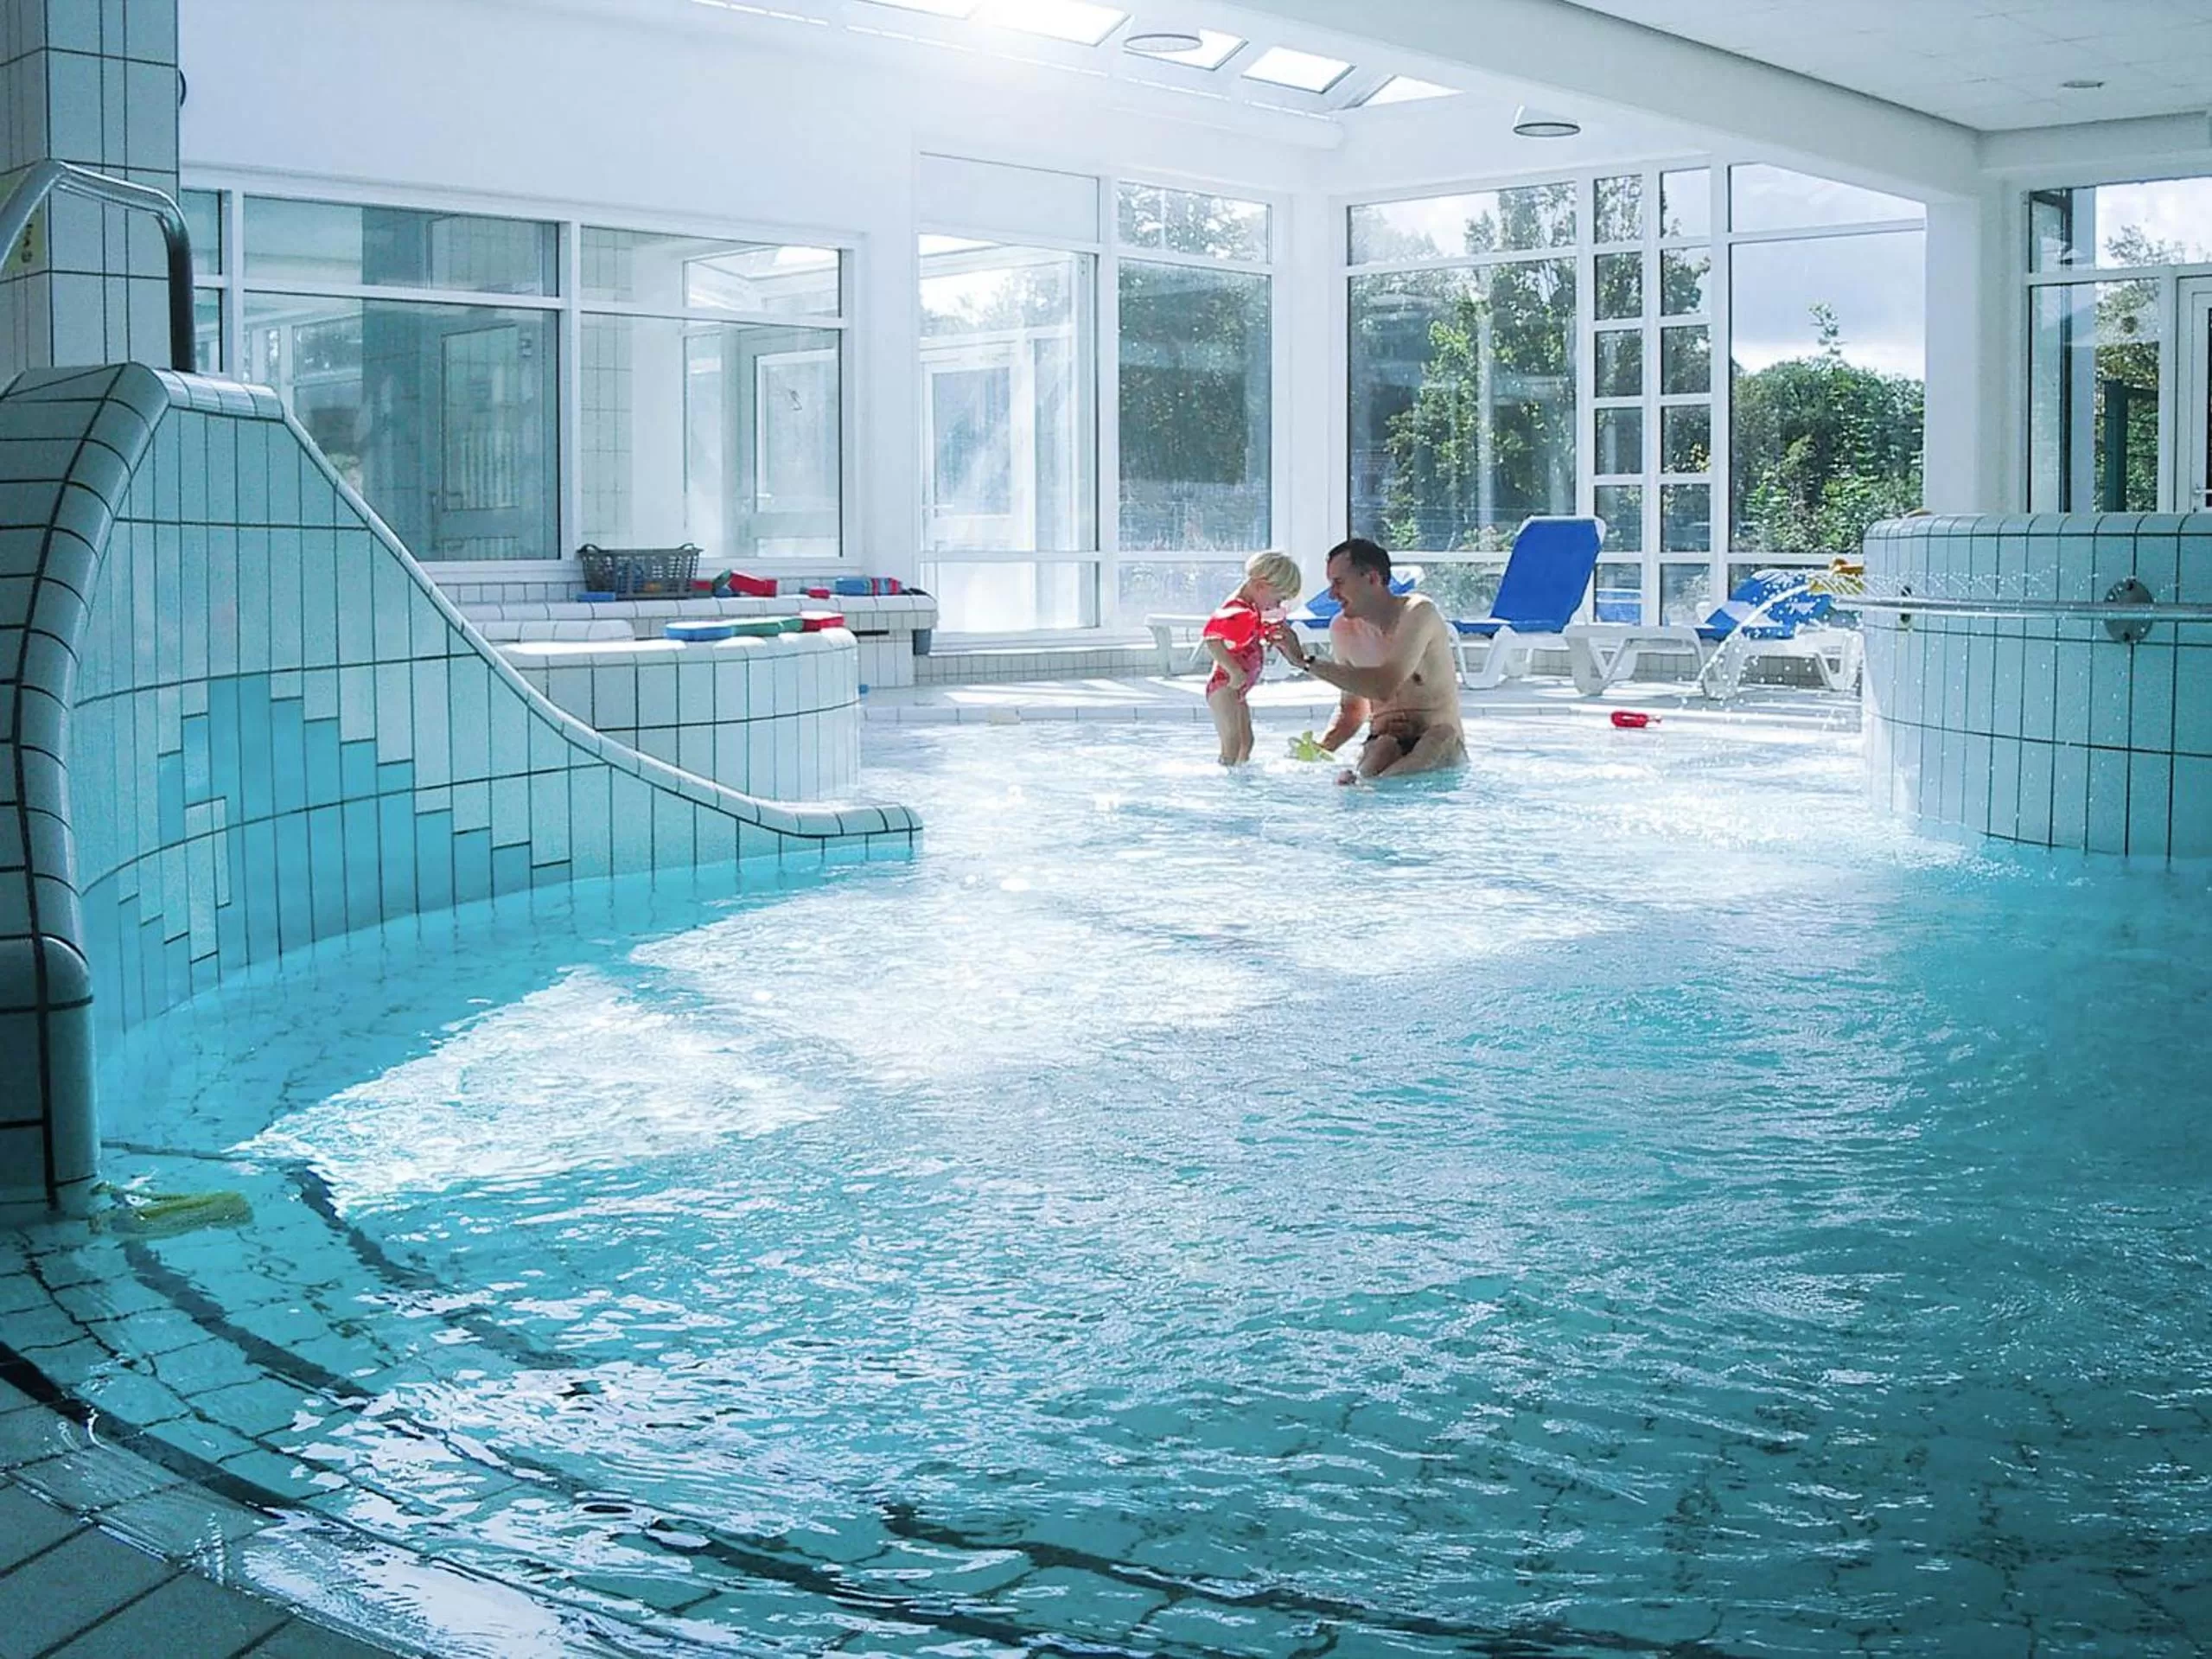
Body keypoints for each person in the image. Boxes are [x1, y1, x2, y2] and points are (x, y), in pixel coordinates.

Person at [1267, 539, 1465, 782]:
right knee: (1382, 749)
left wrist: (1304, 662)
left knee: (1440, 737)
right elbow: (1352, 709)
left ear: (1371, 578)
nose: (1331, 594)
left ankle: (1369, 789)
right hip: (1383, 741)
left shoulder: (1418, 612)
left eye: (1338, 583)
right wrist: (1320, 749)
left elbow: (1384, 686)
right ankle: (1366, 788)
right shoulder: (1342, 629)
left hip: (1438, 742)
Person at [1201, 551, 1304, 765]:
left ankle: (1240, 782)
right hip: (1224, 687)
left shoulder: (1251, 608)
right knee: (1232, 742)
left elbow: (1247, 634)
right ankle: (1225, 778)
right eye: (1278, 599)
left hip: (1237, 690)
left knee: (1247, 742)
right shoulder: (1237, 609)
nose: (1278, 606)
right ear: (1261, 586)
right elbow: (1211, 638)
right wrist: (1233, 670)